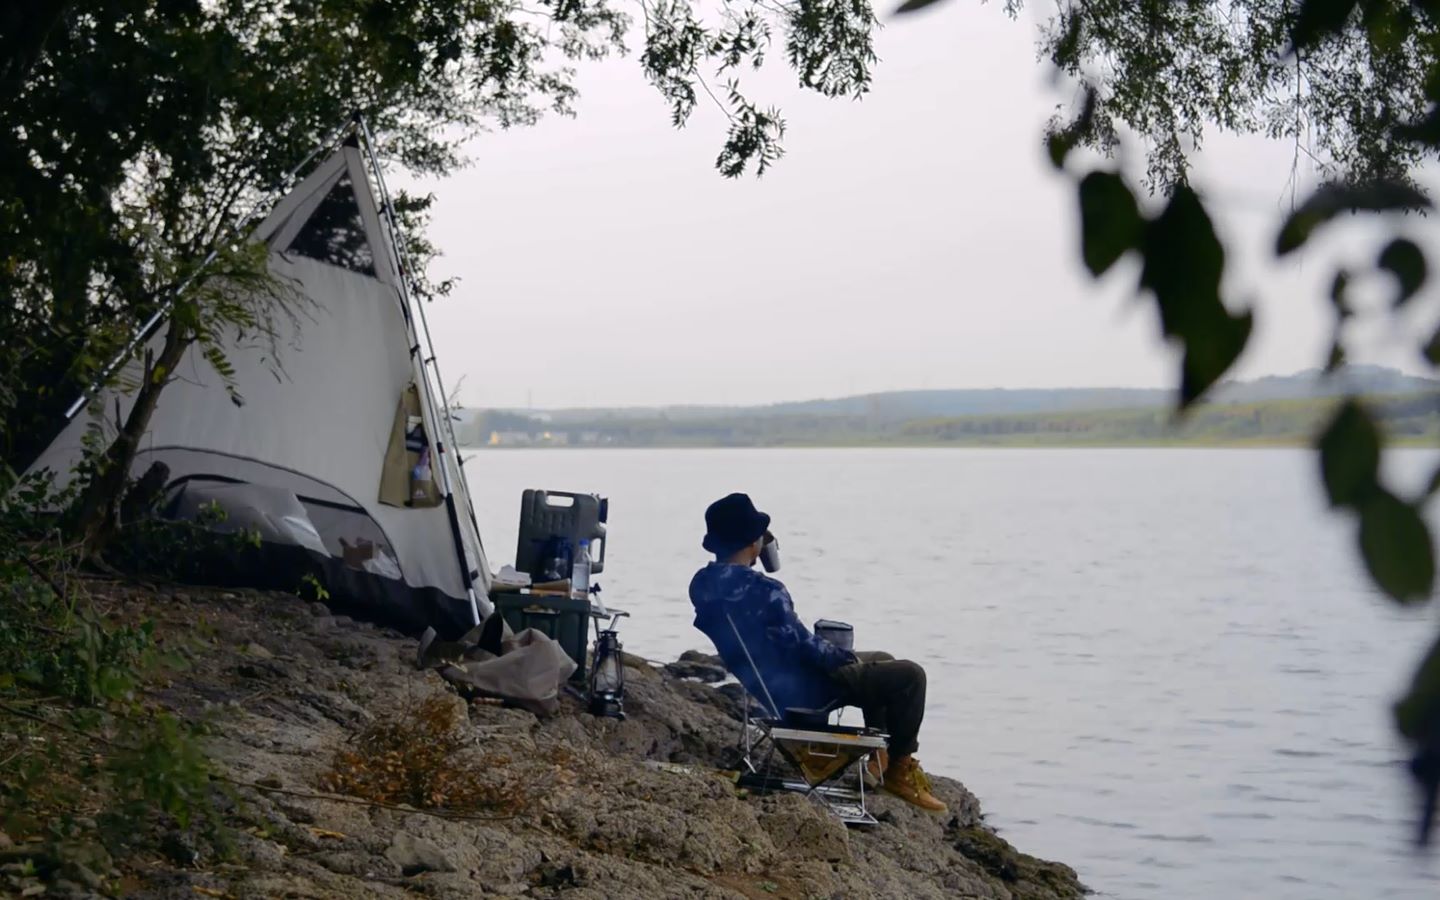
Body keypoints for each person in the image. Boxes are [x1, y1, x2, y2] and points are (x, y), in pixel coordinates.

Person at [687, 492, 947, 814]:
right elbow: (804, 647)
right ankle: (898, 770)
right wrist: (842, 656)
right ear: (753, 541)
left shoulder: (702, 584)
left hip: (767, 682)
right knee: (909, 675)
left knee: (883, 658)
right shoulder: (768, 591)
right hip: (807, 690)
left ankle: (879, 759)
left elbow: (786, 641)